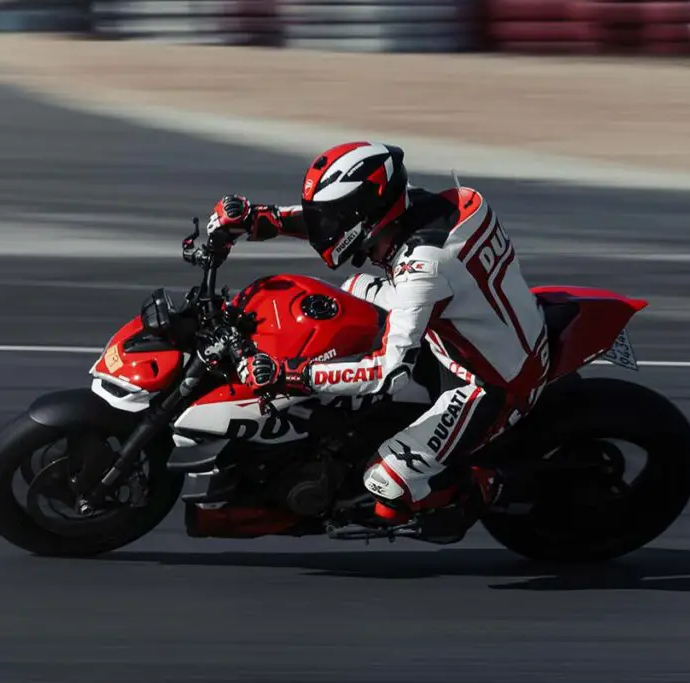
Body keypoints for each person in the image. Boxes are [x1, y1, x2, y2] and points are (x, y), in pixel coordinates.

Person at [206, 141, 550, 543]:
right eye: (323, 216)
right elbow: (339, 223)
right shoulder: (424, 208)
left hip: (489, 379)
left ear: (365, 215)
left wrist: (292, 374)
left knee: (386, 484)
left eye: (332, 217)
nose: (324, 226)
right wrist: (263, 220)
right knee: (349, 293)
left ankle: (479, 488)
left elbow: (389, 373)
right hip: (466, 322)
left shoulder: (423, 268)